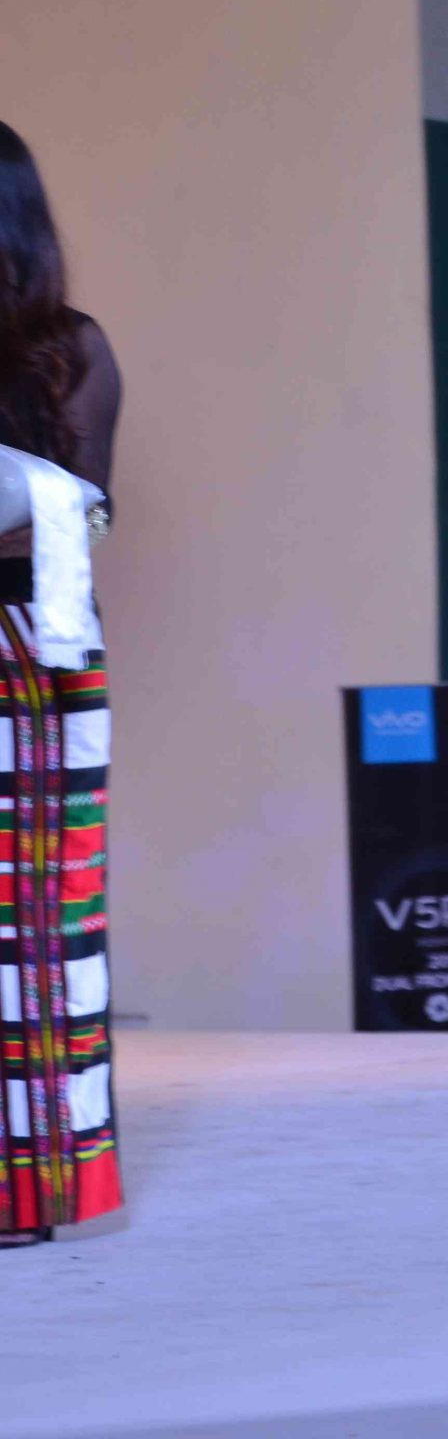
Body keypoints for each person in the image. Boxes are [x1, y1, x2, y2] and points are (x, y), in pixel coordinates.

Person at [0, 122, 122, 1246]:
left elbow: (79, 520)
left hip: (27, 660)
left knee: (30, 934)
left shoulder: (66, 349)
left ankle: (27, 1187)